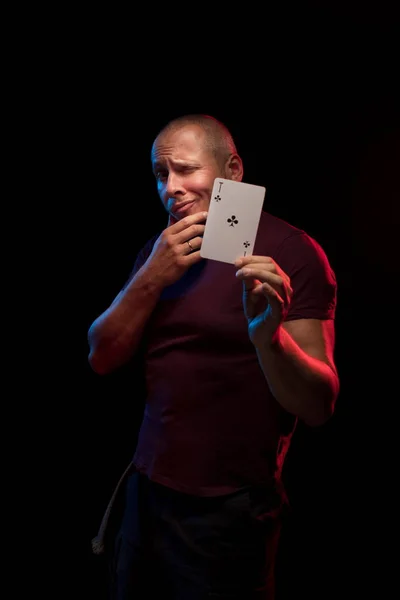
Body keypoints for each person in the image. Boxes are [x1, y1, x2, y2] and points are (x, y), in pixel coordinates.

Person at [88, 114, 339, 599]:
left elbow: (319, 404)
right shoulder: (160, 249)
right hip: (147, 493)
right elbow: (101, 355)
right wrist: (152, 275)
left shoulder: (295, 252)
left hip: (231, 512)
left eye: (185, 170)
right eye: (162, 175)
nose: (171, 189)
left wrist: (270, 338)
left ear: (233, 170)